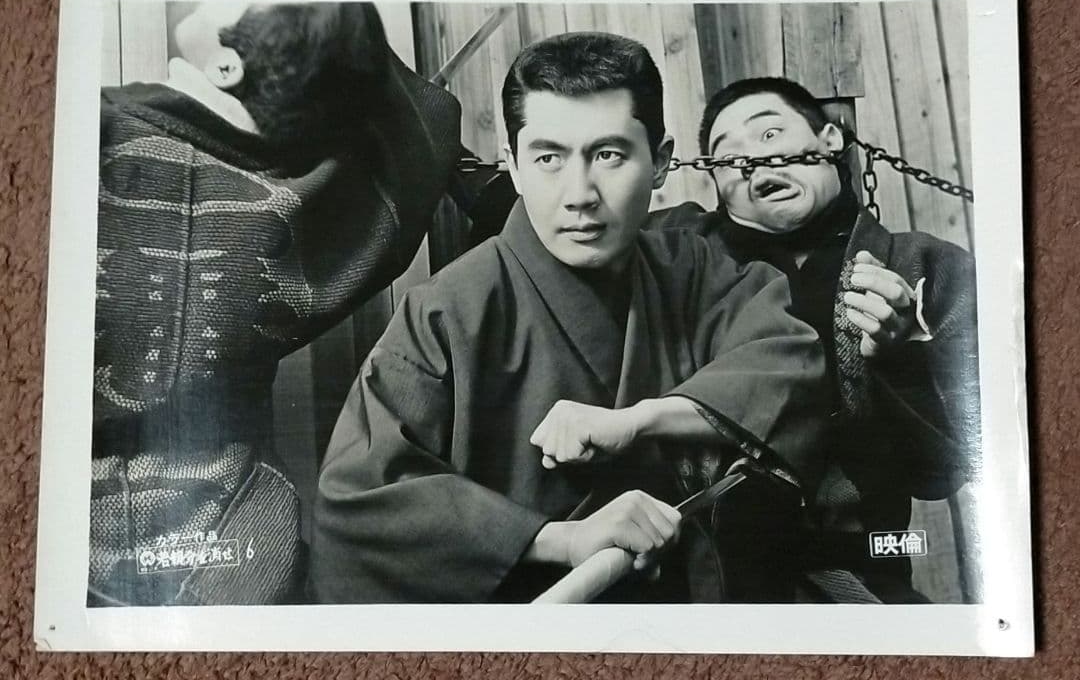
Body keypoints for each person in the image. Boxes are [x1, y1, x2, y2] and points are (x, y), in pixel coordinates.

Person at [309, 33, 829, 604]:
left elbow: (792, 361)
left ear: (660, 161)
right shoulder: (444, 312)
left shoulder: (693, 270)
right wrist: (560, 539)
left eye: (608, 155)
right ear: (512, 165)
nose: (579, 195)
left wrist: (639, 420)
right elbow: (361, 502)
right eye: (548, 158)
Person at [90, 3, 461, 606]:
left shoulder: (87, 139)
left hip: (70, 545)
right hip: (243, 545)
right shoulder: (326, 205)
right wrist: (329, 47)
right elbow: (430, 117)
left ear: (227, 66)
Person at [651, 76, 980, 602]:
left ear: (829, 139)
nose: (752, 162)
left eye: (769, 134)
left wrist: (901, 356)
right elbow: (578, 216)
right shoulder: (678, 255)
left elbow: (945, 472)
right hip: (702, 580)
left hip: (859, 572)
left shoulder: (928, 266)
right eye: (727, 156)